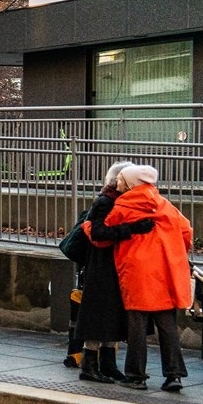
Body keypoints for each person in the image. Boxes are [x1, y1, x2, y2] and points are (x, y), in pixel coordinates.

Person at [104, 164, 193, 391]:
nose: (119, 184)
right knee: (167, 326)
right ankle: (174, 376)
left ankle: (136, 376)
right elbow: (186, 232)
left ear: (132, 184)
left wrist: (86, 227)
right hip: (164, 273)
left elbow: (102, 236)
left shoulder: (122, 207)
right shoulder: (165, 206)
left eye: (122, 180)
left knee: (137, 327)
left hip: (137, 273)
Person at [75, 161, 138, 383]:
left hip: (110, 265)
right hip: (101, 266)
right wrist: (130, 230)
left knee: (110, 314)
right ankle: (89, 365)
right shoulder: (105, 201)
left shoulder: (115, 200)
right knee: (98, 315)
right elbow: (99, 232)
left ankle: (107, 364)